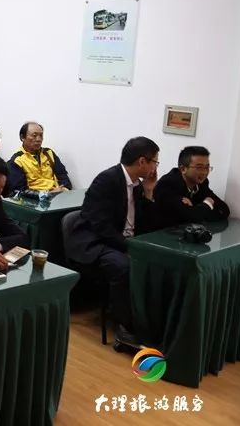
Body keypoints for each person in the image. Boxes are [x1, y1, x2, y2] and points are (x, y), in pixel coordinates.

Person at [65, 136, 160, 347]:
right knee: (123, 266)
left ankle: (148, 322)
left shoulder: (139, 185)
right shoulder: (107, 180)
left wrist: (149, 192)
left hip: (123, 241)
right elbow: (100, 226)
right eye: (155, 161)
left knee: (156, 263)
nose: (156, 167)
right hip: (95, 242)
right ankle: (124, 329)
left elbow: (146, 222)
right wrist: (129, 247)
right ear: (142, 161)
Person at [154, 145, 229, 225]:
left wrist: (195, 209)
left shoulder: (202, 183)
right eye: (199, 167)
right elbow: (189, 217)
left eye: (207, 167)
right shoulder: (168, 183)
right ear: (183, 169)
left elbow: (224, 210)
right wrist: (207, 203)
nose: (204, 172)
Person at [6, 122, 72, 194]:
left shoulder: (49, 153)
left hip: (58, 194)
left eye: (41, 135)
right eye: (34, 135)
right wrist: (47, 194)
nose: (38, 139)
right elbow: (20, 191)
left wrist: (64, 189)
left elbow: (63, 175)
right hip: (35, 199)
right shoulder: (17, 161)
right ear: (22, 137)